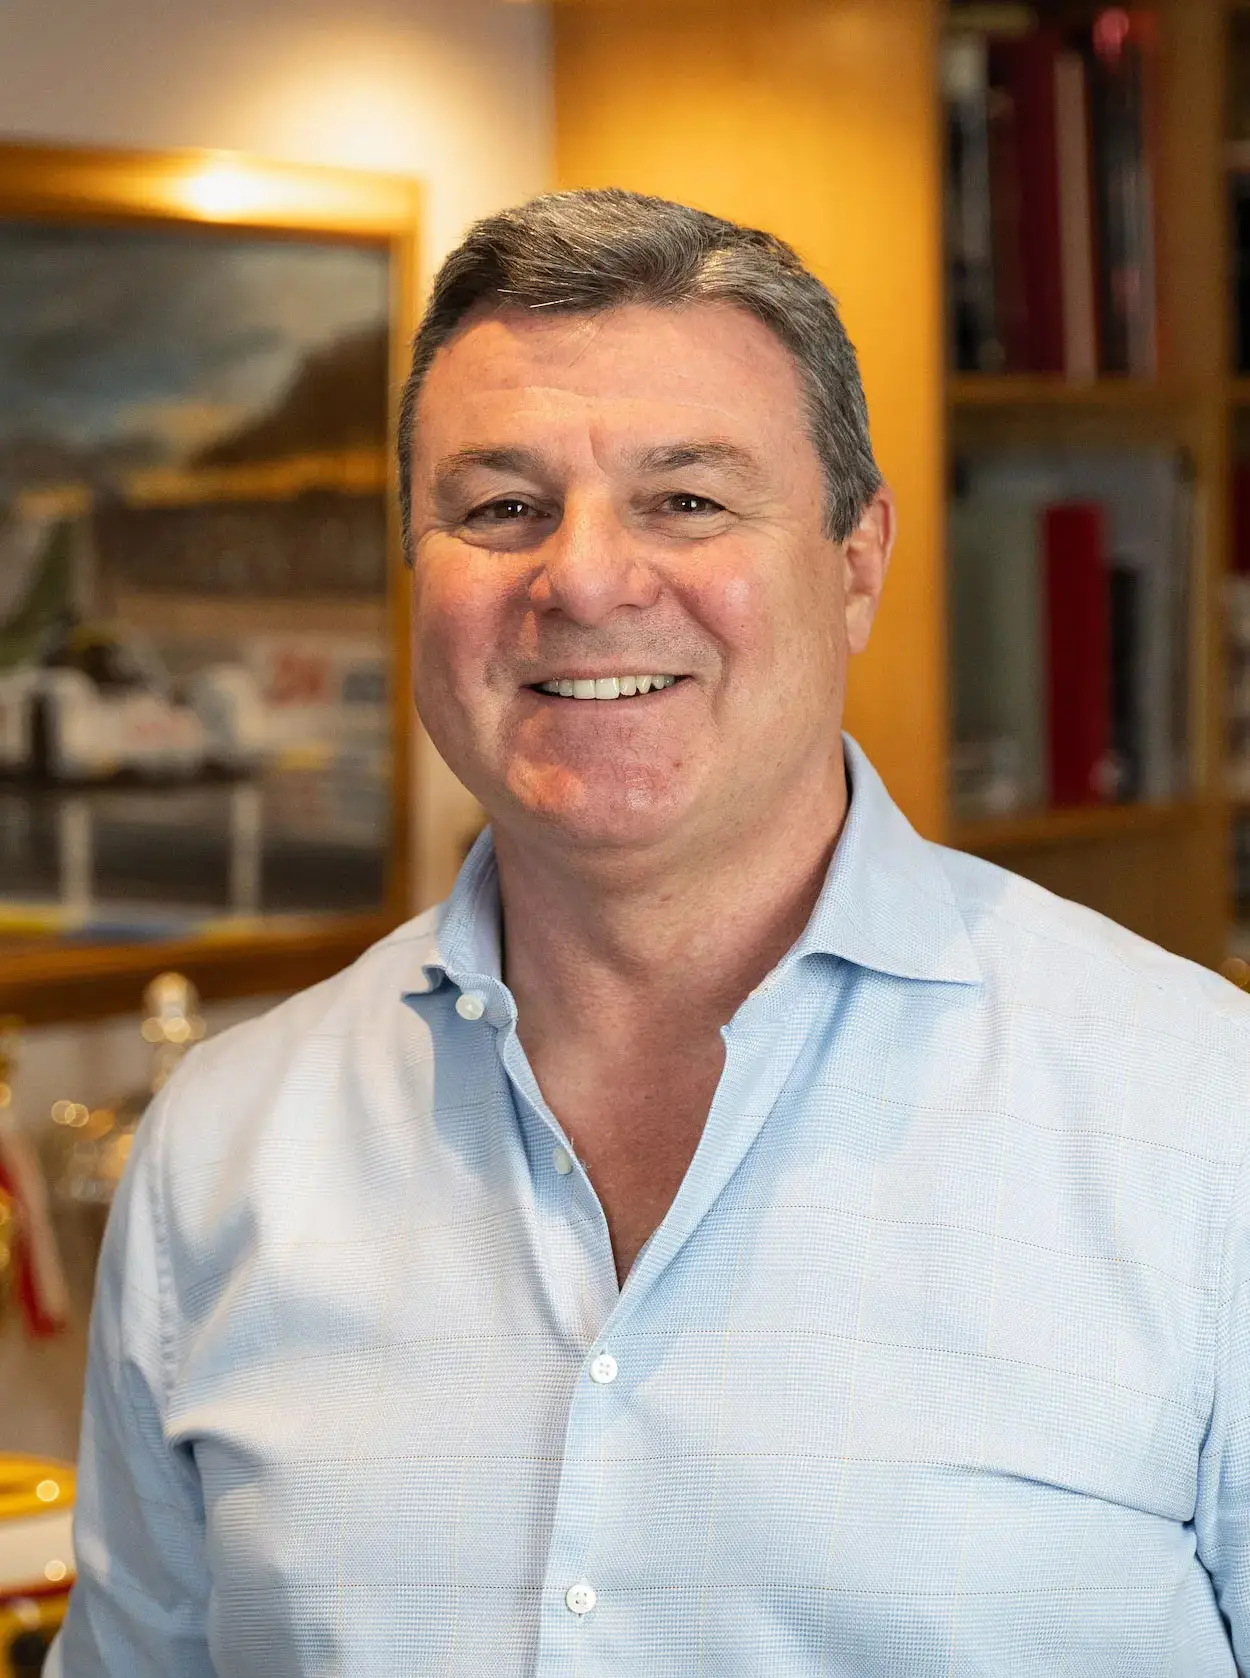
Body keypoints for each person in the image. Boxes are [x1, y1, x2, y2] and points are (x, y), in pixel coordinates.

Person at [49, 188, 1250, 1677]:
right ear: (418, 568)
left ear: (856, 558)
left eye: (687, 498)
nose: (586, 579)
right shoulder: (219, 1152)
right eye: (500, 507)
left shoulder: (1206, 1122)